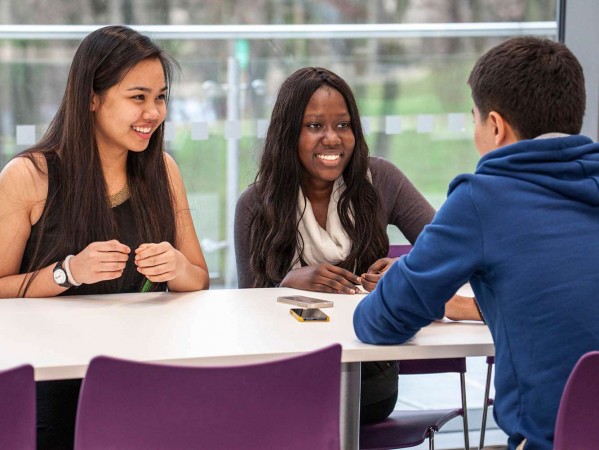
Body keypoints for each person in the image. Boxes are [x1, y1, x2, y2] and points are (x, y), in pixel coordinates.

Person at [354, 36, 599, 450]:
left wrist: (420, 284)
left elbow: (379, 322)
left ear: (496, 126)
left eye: (474, 120)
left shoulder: (483, 198)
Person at [0, 25, 210, 448]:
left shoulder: (163, 171)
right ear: (92, 98)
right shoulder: (30, 175)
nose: (153, 112)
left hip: (143, 370)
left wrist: (177, 265)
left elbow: (199, 279)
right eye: (138, 97)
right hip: (51, 380)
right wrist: (67, 273)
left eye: (160, 97)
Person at [234, 66, 477, 424]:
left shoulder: (382, 180)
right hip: (284, 373)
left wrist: (407, 273)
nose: (332, 138)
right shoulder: (255, 204)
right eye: (315, 126)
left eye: (343, 125)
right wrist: (285, 285)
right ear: (288, 133)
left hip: (369, 375)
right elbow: (245, 312)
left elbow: (451, 254)